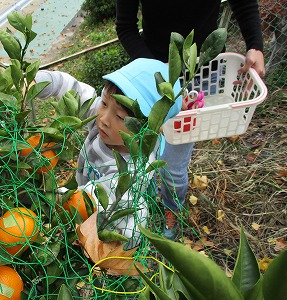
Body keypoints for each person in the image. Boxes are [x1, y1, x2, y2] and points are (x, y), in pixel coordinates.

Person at [116, 0, 266, 240]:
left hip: (202, 72)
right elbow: (125, 27)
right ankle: (142, 200)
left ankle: (171, 210)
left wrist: (255, 45)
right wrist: (156, 71)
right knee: (142, 150)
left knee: (173, 163)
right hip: (153, 72)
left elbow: (244, 3)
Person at [36, 58, 182, 248]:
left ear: (147, 130)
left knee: (101, 260)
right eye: (104, 103)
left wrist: (39, 189)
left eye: (120, 117)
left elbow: (85, 201)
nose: (104, 119)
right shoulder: (106, 122)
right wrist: (36, 80)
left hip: (114, 231)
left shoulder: (132, 171)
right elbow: (73, 90)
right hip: (89, 204)